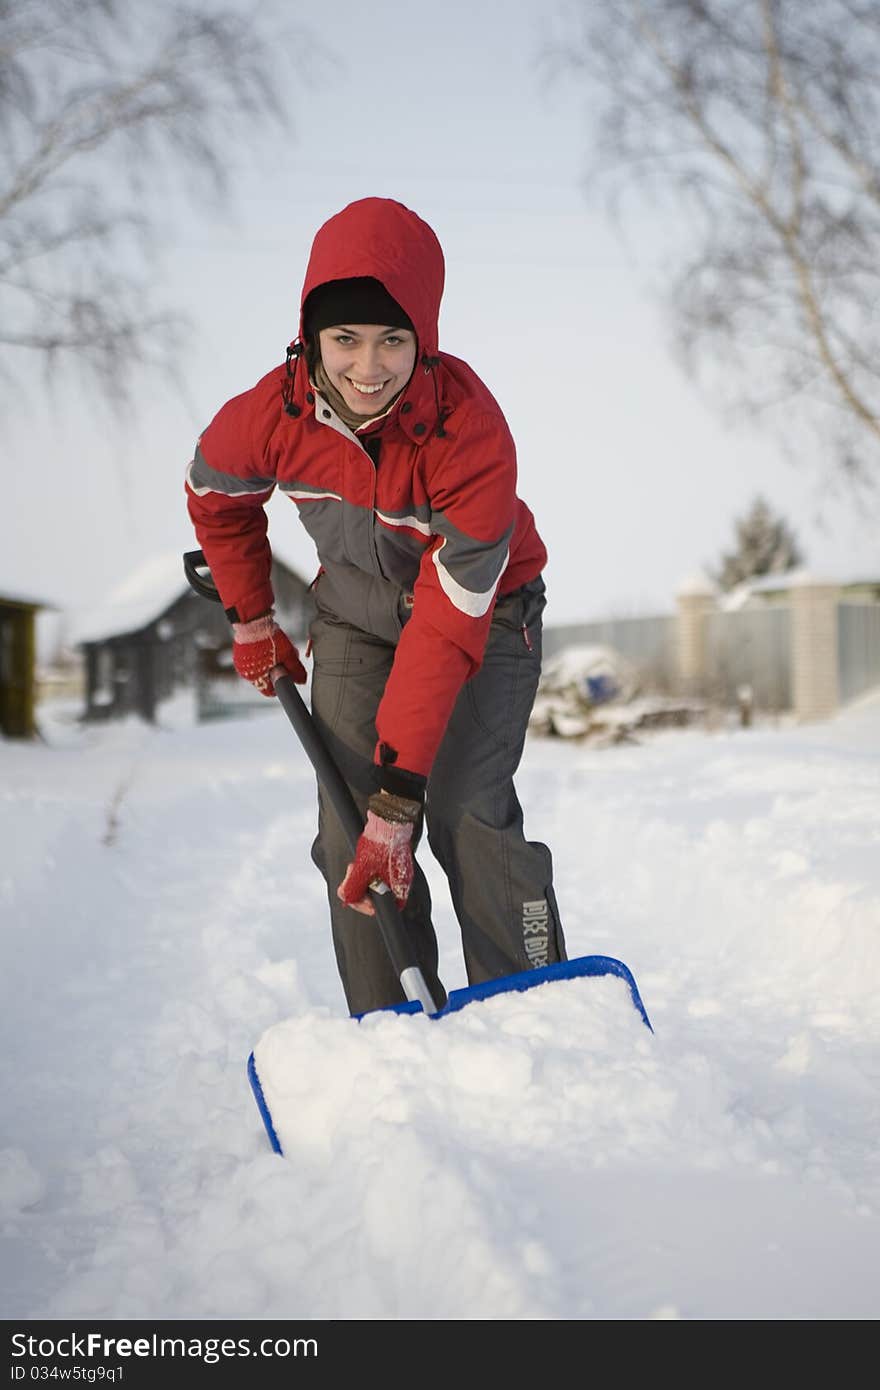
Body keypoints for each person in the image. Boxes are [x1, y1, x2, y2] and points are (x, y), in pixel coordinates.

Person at [185, 196, 567, 1016]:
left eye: (393, 339)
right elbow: (215, 496)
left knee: (466, 811)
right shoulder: (271, 416)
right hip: (357, 620)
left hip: (485, 618)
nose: (369, 366)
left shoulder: (468, 431)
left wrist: (403, 796)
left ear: (422, 339)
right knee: (348, 834)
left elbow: (448, 620)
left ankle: (533, 1020)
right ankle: (391, 1031)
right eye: (346, 339)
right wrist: (250, 617)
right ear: (309, 337)